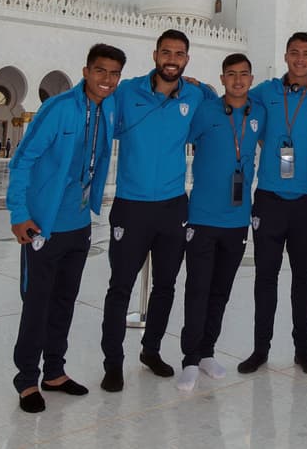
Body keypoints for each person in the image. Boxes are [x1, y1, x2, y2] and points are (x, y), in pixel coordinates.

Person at [7, 43, 125, 413]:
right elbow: (23, 159)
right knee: (37, 304)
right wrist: (18, 212)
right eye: (101, 71)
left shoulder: (108, 109)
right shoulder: (58, 109)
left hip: (78, 224)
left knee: (63, 302)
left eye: (114, 73)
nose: (107, 80)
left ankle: (54, 372)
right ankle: (26, 379)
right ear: (86, 71)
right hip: (43, 225)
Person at [100, 29, 212, 393]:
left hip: (172, 205)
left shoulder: (194, 95)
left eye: (179, 54)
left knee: (165, 285)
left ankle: (151, 350)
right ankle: (113, 363)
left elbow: (218, 111)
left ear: (187, 60)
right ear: (154, 55)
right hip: (131, 206)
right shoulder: (128, 91)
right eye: (166, 52)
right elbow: (99, 118)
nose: (172, 59)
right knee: (120, 287)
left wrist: (206, 86)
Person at [237, 32, 307, 376]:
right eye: (294, 53)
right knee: (265, 277)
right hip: (270, 199)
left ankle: (302, 350)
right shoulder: (265, 91)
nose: (300, 59)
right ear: (286, 56)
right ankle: (260, 349)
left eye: (306, 54)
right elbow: (234, 97)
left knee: (303, 278)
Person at [176, 53, 265, 391]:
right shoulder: (205, 110)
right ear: (223, 78)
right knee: (197, 287)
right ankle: (189, 358)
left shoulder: (259, 112)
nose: (238, 81)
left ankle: (207, 352)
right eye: (231, 75)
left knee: (221, 290)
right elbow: (178, 138)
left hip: (237, 219)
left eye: (244, 74)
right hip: (202, 215)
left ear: (251, 79)